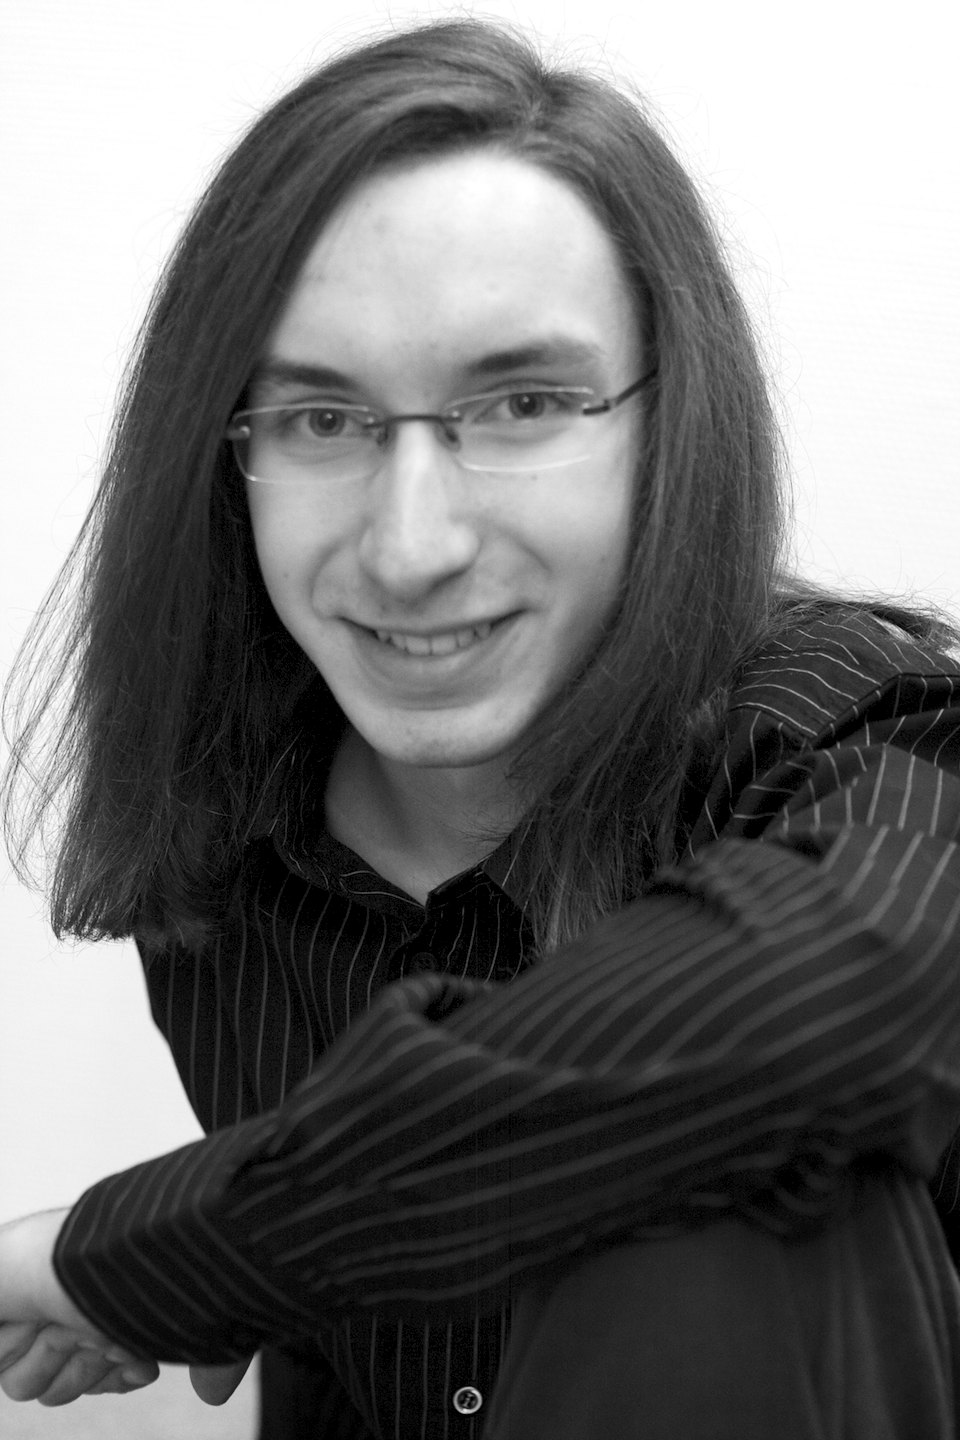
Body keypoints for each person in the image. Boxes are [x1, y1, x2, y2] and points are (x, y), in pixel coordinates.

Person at [2, 17, 960, 1439]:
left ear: (669, 426)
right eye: (321, 419)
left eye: (521, 404)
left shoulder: (876, 745)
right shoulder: (232, 853)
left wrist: (166, 1248)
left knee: (718, 1180)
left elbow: (796, 1042)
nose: (411, 548)